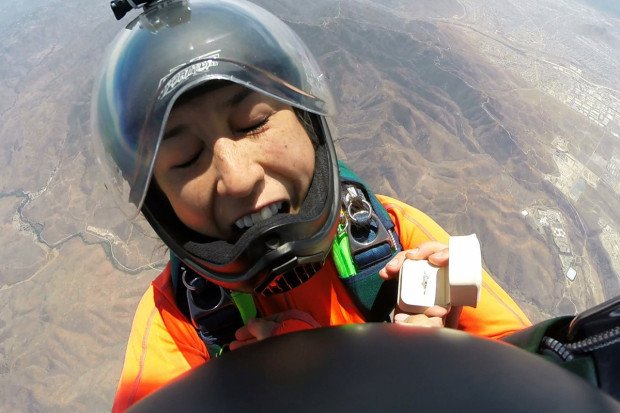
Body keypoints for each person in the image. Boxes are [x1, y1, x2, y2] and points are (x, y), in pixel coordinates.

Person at [91, 0, 531, 411]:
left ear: (307, 123)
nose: (239, 178)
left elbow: (541, 374)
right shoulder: (176, 321)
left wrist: (446, 361)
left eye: (254, 123)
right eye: (186, 158)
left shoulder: (401, 240)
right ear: (161, 204)